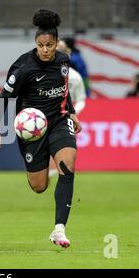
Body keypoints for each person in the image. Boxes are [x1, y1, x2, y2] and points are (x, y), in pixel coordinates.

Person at [0, 9, 82, 249]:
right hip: (33, 131)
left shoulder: (63, 61)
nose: (45, 49)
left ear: (55, 44)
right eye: (41, 45)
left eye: (49, 45)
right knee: (39, 186)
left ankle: (59, 229)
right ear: (35, 44)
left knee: (67, 166)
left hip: (60, 122)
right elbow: (3, 98)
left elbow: (64, 91)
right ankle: (36, 169)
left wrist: (71, 113)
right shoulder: (23, 68)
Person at [48, 39, 86, 177]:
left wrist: (73, 112)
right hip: (47, 115)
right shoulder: (42, 74)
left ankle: (60, 168)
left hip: (65, 117)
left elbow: (81, 99)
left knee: (63, 142)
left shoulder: (75, 78)